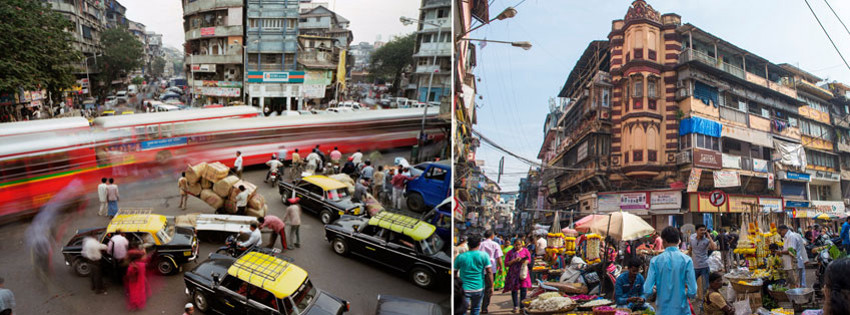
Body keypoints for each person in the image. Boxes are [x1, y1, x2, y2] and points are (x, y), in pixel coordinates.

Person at [643, 226, 697, 315]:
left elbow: (647, 290)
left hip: (662, 310)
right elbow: (693, 291)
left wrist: (654, 291)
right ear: (678, 240)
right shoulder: (686, 260)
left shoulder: (655, 261)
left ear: (664, 241)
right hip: (682, 309)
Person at [454, 235, 493, 315]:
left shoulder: (461, 257)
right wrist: (491, 286)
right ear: (479, 244)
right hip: (479, 288)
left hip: (464, 289)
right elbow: (489, 272)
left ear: (468, 244)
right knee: (476, 309)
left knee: (462, 310)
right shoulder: (484, 255)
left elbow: (454, 273)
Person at [689, 224, 717, 302]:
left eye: (704, 230)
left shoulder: (707, 240)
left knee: (706, 286)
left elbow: (714, 247)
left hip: (704, 265)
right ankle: (692, 298)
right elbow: (690, 249)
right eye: (701, 230)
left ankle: (704, 302)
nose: (702, 232)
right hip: (694, 266)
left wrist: (709, 237)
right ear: (696, 231)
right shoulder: (691, 238)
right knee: (692, 284)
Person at [503, 237, 532, 314]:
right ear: (513, 245)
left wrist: (524, 260)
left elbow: (529, 260)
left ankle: (522, 306)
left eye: (519, 245)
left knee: (523, 290)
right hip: (513, 274)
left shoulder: (526, 251)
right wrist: (514, 260)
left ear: (521, 245)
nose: (518, 246)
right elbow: (506, 263)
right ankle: (515, 306)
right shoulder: (510, 253)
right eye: (516, 245)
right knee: (514, 290)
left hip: (523, 273)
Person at [479, 230, 504, 314]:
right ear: (492, 236)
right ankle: (484, 307)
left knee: (481, 287)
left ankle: (478, 305)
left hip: (480, 268)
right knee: (489, 288)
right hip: (491, 269)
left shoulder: (481, 244)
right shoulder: (495, 244)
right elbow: (499, 257)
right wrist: (501, 268)